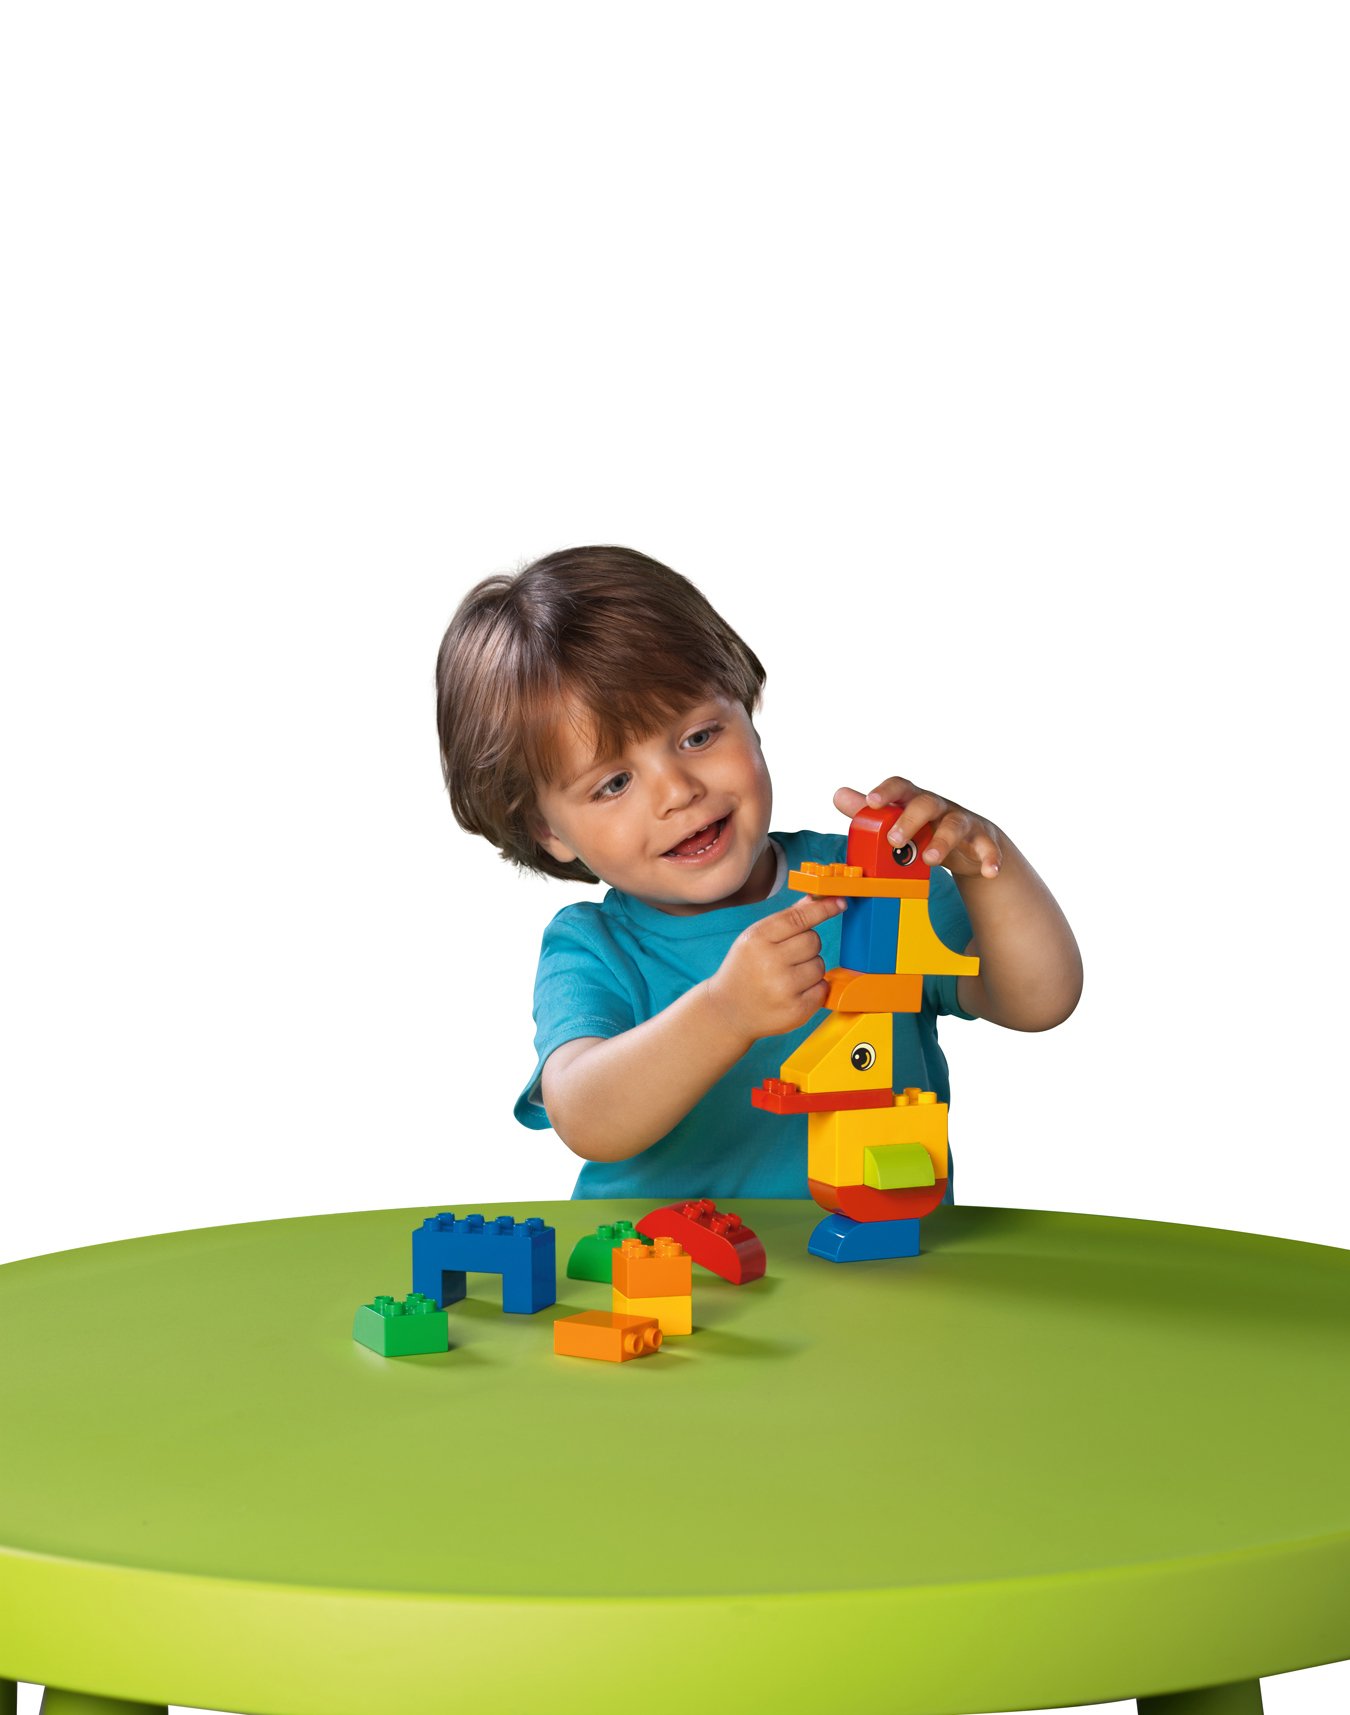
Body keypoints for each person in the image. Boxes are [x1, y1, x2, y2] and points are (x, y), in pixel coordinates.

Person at [435, 545, 1083, 1202]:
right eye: (614, 783)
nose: (678, 791)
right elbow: (586, 1118)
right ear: (547, 831)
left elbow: (1041, 1000)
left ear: (747, 708)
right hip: (664, 1267)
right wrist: (724, 1012)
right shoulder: (593, 948)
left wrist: (988, 866)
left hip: (883, 1255)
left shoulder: (873, 882)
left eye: (698, 737)